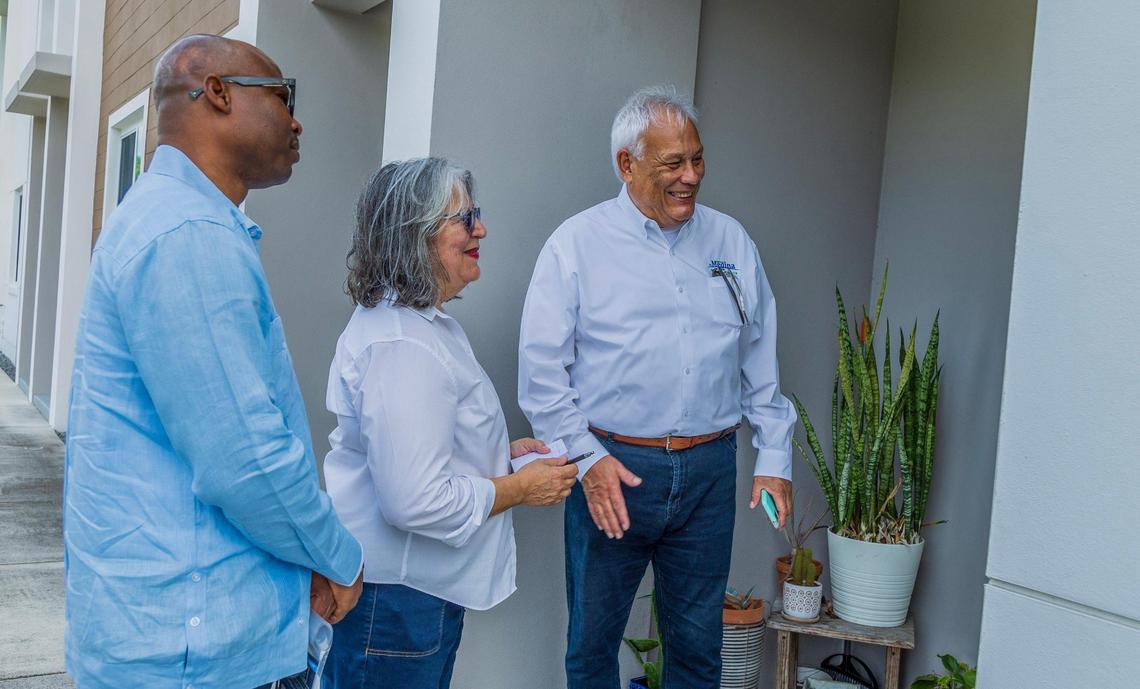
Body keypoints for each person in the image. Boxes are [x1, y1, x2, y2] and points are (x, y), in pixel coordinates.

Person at [63, 34, 363, 689]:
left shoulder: (172, 222)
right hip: (194, 656)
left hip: (177, 644)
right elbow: (244, 457)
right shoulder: (186, 234)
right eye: (284, 96)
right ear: (219, 93)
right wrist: (337, 555)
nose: (296, 118)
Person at [518, 85, 798, 688]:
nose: (691, 176)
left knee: (699, 650)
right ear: (627, 164)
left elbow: (760, 358)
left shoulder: (731, 242)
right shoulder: (577, 245)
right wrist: (588, 461)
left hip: (708, 471)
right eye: (673, 163)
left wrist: (774, 457)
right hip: (611, 470)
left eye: (697, 159)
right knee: (592, 646)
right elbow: (541, 379)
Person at [320, 157, 578, 689]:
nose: (480, 229)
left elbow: (418, 457)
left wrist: (502, 458)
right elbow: (413, 500)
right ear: (417, 237)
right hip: (396, 607)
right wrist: (519, 487)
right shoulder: (403, 346)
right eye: (465, 218)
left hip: (406, 601)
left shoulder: (419, 327)